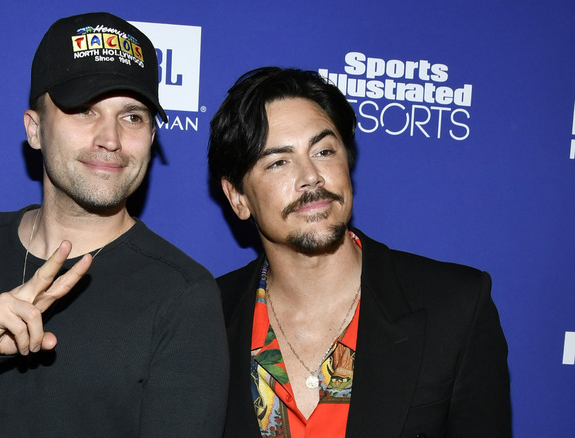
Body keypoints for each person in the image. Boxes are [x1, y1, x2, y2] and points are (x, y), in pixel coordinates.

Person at [0, 12, 228, 437]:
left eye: (132, 116)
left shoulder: (182, 293)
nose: (111, 138)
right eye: (84, 110)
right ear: (35, 129)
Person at [207, 67, 511, 437]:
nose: (311, 176)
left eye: (323, 150)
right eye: (279, 162)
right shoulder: (203, 318)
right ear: (238, 197)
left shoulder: (455, 306)